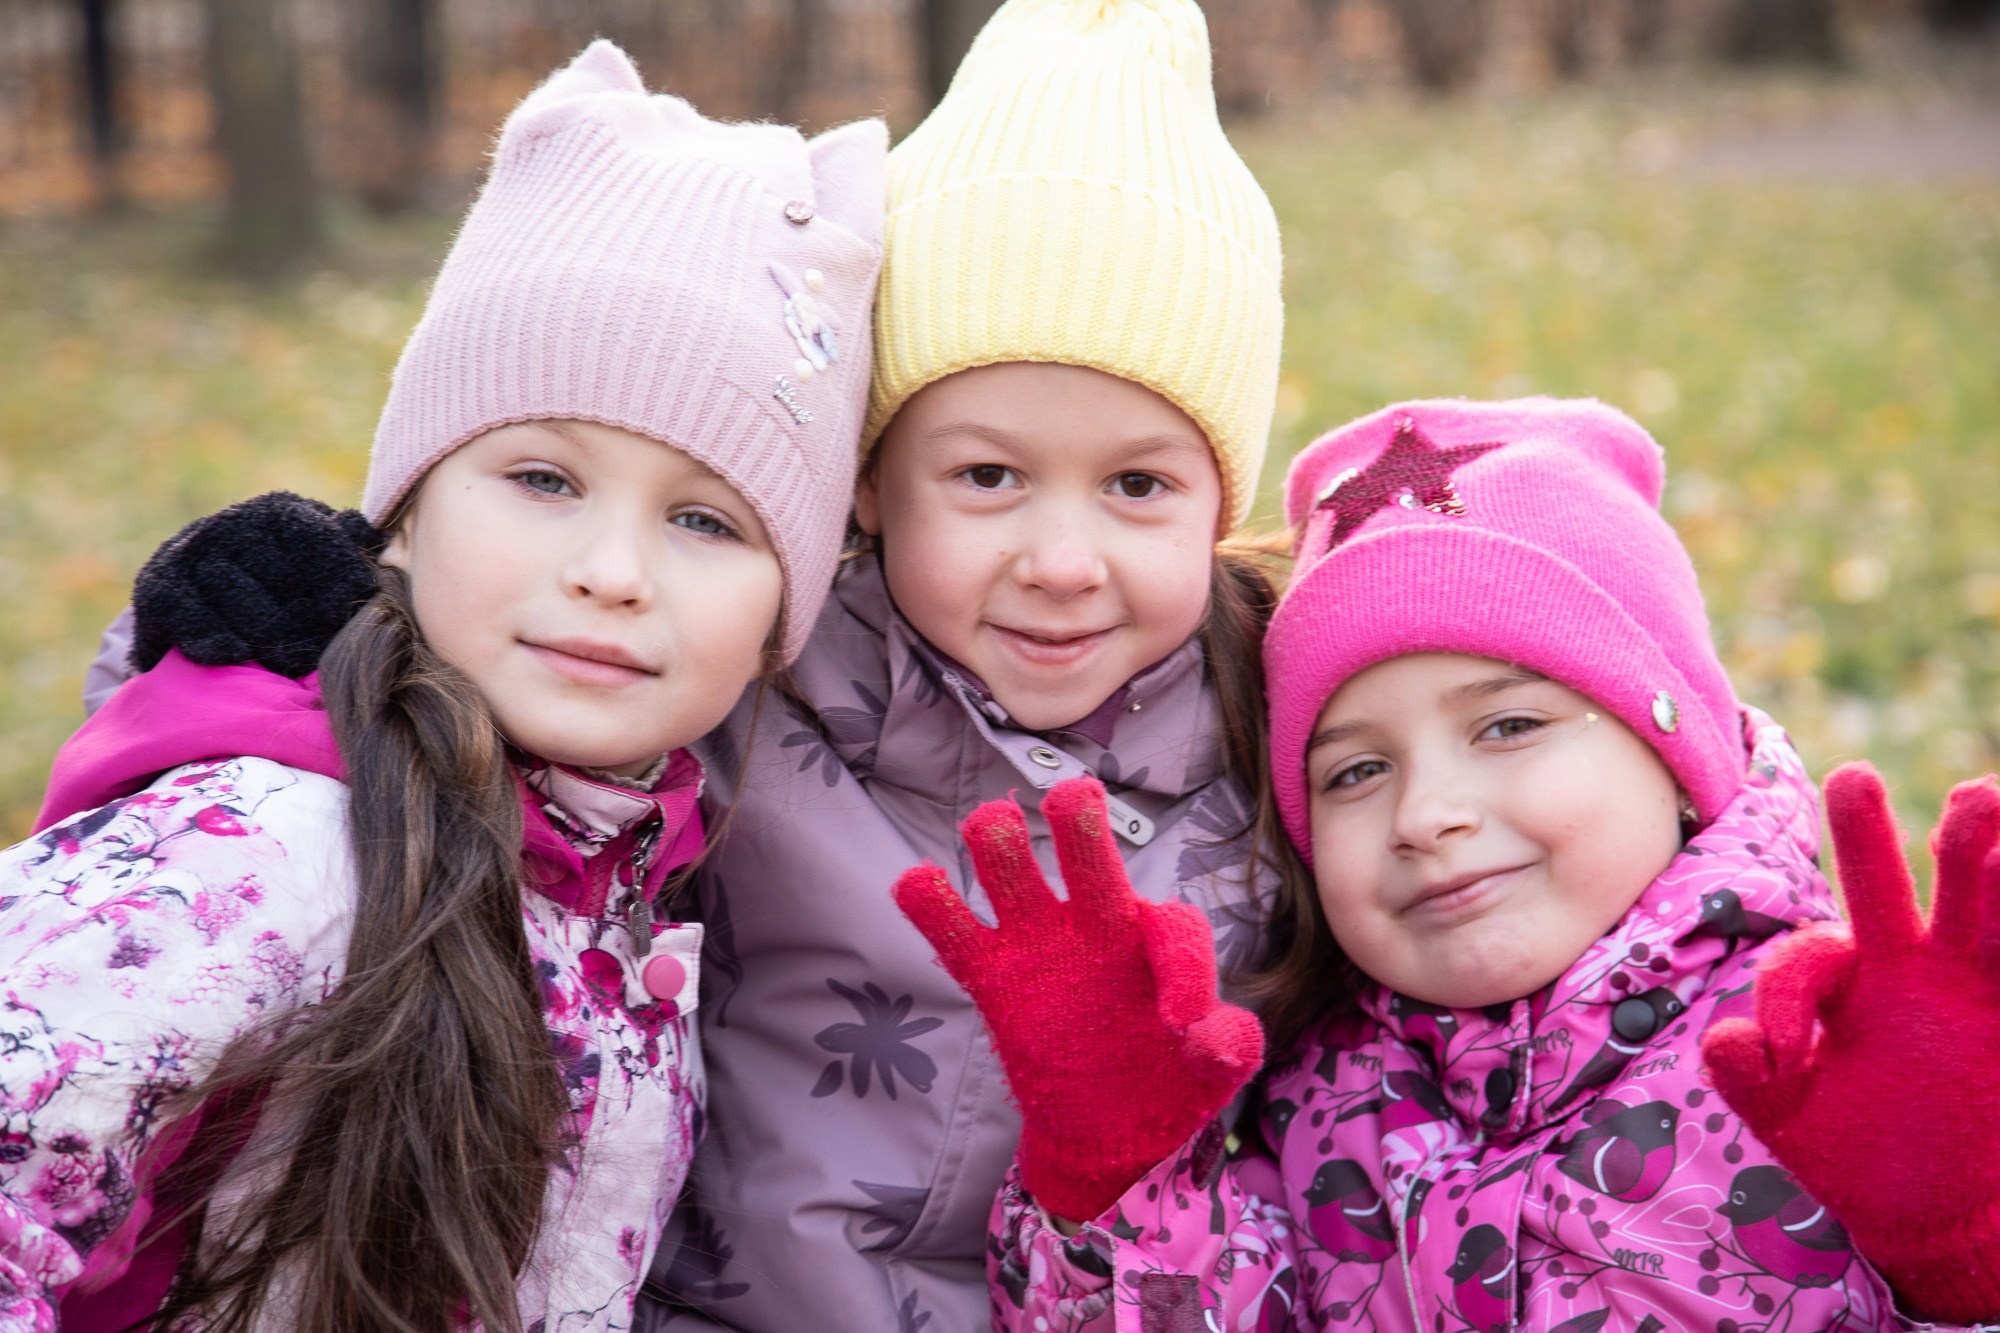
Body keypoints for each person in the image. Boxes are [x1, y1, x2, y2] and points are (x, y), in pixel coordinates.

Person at [84, 4, 1288, 1327]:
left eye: (1139, 484)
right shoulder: (735, 705)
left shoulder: (1290, 771)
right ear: (868, 493)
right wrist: (282, 652)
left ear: (1219, 502)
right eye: (987, 474)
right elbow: (475, 658)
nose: (1064, 557)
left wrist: (1116, 1181)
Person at [0, 41, 883, 1333]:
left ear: (782, 621)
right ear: (405, 514)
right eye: (542, 480)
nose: (613, 572)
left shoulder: (636, 891)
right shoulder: (270, 848)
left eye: (707, 521)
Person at [896, 397, 2000, 1331]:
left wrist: (1960, 1257)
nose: (1424, 813)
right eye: (1354, 771)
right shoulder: (1320, 1098)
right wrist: (1116, 1181)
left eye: (1508, 727)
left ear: (1676, 753)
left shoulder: (1827, 1051)